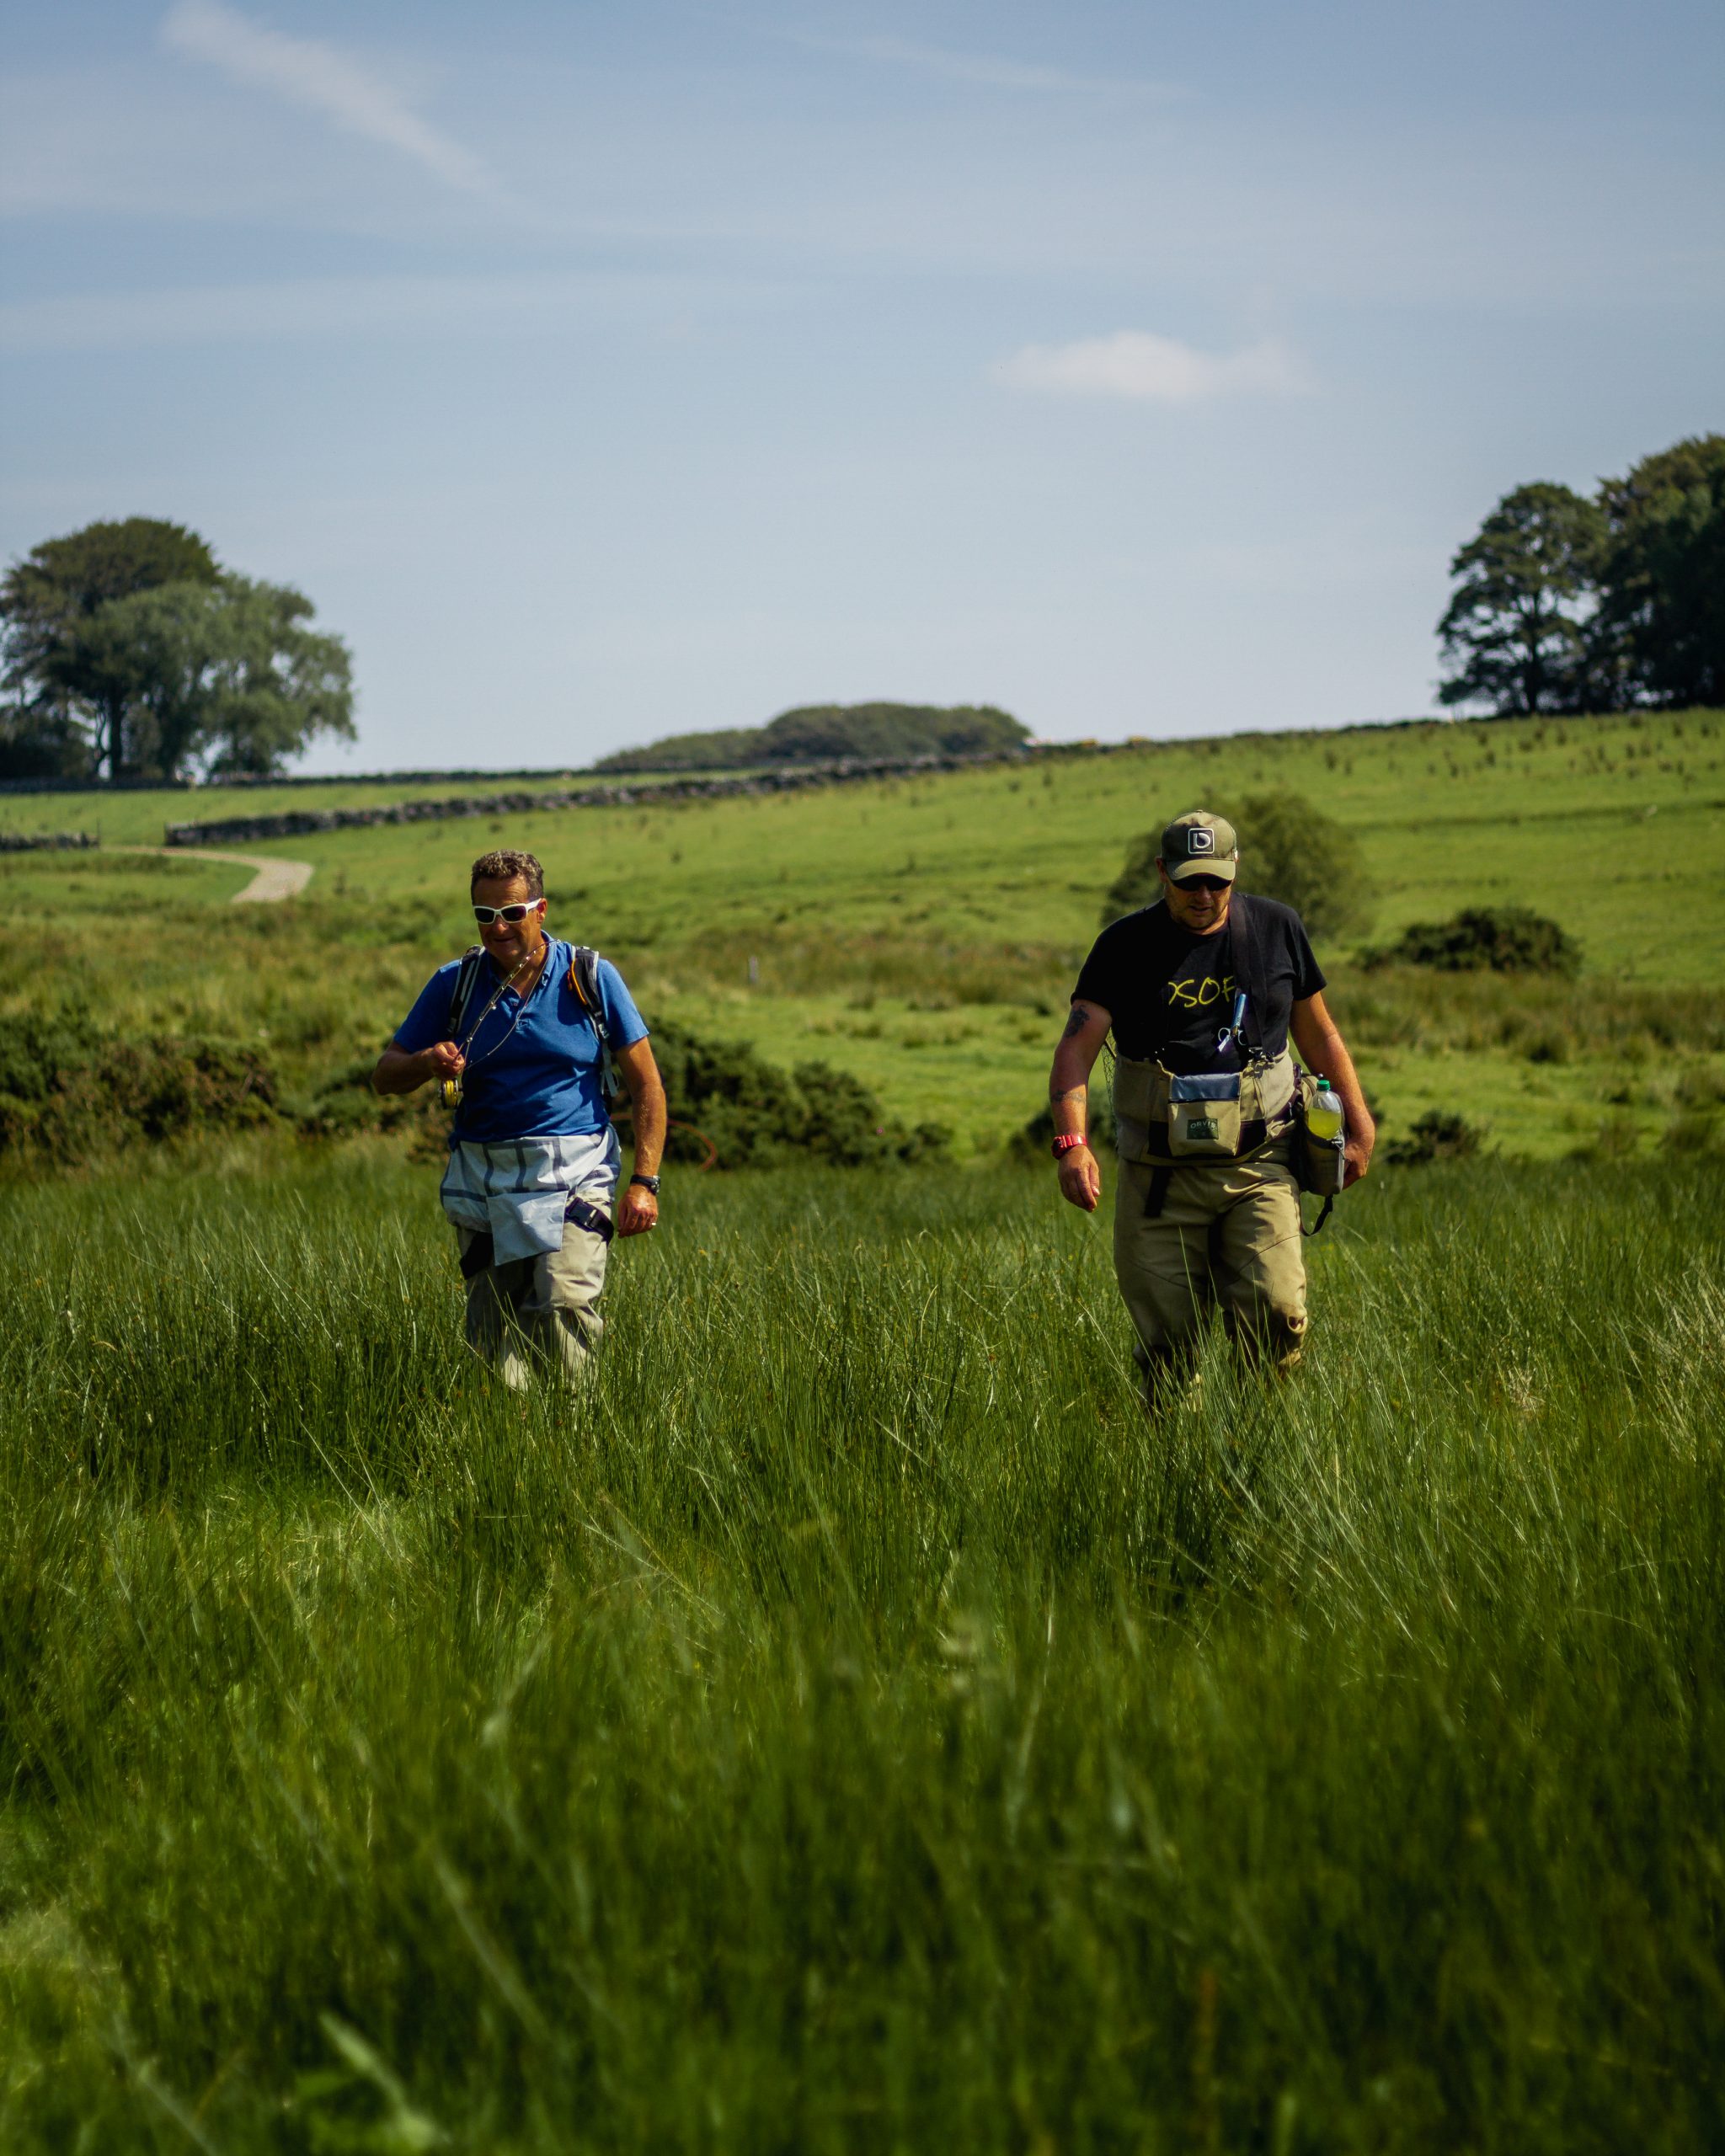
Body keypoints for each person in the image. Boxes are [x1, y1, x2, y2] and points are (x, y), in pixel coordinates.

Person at [1049, 809, 1373, 1393]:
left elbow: (1320, 1035)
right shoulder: (1121, 946)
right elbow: (1074, 1051)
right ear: (1161, 873)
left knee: (1278, 1319)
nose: (1203, 895)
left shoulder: (1279, 929)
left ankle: (1261, 1456)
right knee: (1167, 1352)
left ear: (1235, 870)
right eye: (1189, 880)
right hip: (1158, 1183)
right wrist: (1073, 1145)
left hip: (1261, 1167)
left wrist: (1359, 1121)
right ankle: (1179, 1467)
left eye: (1216, 881)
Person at [375, 847, 666, 1389]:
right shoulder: (452, 984)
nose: (499, 928)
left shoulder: (591, 977)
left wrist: (644, 1183)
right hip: (483, 1183)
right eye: (484, 916)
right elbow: (385, 1075)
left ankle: (573, 1440)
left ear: (541, 909)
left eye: (512, 912)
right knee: (492, 1335)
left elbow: (646, 1082)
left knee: (561, 1304)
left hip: (577, 1176)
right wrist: (425, 1061)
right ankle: (509, 1447)